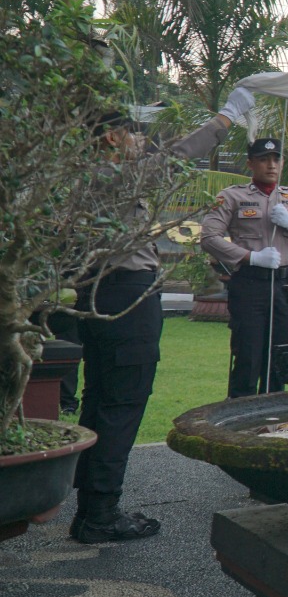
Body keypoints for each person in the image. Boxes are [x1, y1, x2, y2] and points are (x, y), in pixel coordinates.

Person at [71, 89, 253, 543]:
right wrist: (224, 119)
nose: (140, 142)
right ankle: (100, 513)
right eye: (134, 133)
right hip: (126, 295)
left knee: (101, 398)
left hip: (98, 293)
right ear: (112, 138)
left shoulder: (79, 177)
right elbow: (174, 159)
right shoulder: (111, 175)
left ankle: (91, 507)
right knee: (123, 401)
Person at [201, 136, 288, 400]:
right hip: (250, 283)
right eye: (263, 159)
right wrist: (250, 257)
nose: (271, 165)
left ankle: (274, 412)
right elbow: (209, 237)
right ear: (250, 164)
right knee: (248, 353)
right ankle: (241, 411)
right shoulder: (232, 196)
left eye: (276, 159)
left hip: (285, 284)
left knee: (282, 353)